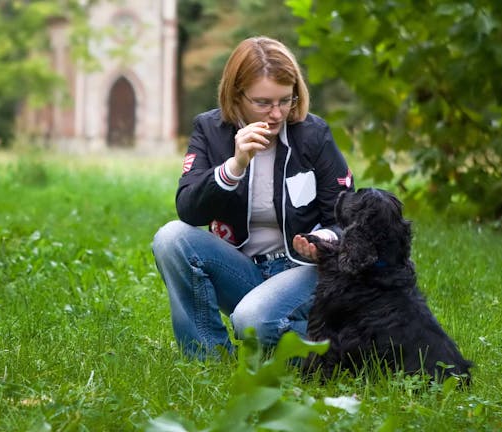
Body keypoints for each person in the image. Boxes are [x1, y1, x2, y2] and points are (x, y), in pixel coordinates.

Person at [152, 36, 354, 360]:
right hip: (243, 270)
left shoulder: (313, 134)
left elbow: (348, 217)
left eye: (285, 101)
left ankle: (334, 344)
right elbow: (189, 210)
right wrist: (233, 166)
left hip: (301, 271)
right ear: (237, 95)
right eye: (263, 103)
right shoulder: (210, 129)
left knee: (252, 320)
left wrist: (323, 239)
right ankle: (210, 359)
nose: (276, 114)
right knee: (170, 238)